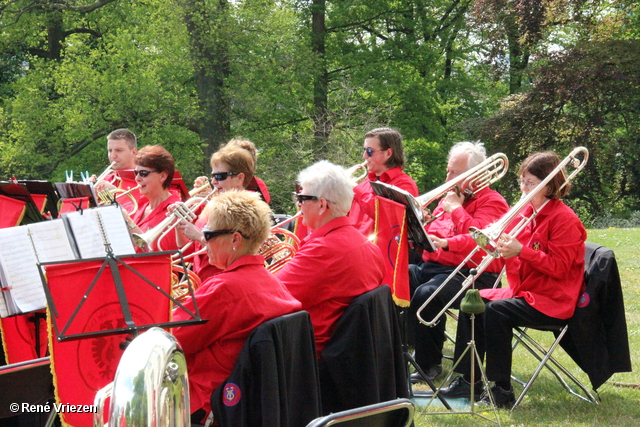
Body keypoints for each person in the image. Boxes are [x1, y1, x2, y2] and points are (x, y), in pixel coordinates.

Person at [443, 151, 586, 407]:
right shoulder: (525, 213)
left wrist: (522, 251)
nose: (524, 188)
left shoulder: (565, 220)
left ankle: (502, 389)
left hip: (552, 300)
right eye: (522, 181)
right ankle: (469, 379)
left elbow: (560, 269)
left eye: (530, 183)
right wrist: (500, 246)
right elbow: (500, 242)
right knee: (471, 301)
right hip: (526, 292)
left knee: (497, 311)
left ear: (550, 185)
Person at [171, 191, 301, 423]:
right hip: (242, 403)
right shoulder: (272, 282)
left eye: (209, 234)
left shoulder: (223, 289)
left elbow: (170, 340)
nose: (203, 239)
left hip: (199, 403)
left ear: (235, 240)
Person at [409, 141, 509, 383]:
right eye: (448, 169)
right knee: (397, 280)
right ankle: (406, 350)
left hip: (472, 273)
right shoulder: (450, 198)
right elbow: (434, 236)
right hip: (438, 267)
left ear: (474, 175)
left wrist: (456, 210)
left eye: (454, 172)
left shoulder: (492, 202)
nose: (447, 176)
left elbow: (480, 241)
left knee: (427, 293)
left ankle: (428, 363)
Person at [276, 160, 386, 355]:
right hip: (346, 354)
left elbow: (272, 297)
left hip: (305, 353)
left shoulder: (322, 250)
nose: (298, 205)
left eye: (302, 198)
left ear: (321, 204)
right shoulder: (368, 245)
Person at [174, 145, 256, 281]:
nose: (213, 181)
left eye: (220, 176)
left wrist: (199, 236)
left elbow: (237, 252)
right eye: (213, 176)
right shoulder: (213, 205)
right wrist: (179, 224)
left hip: (224, 284)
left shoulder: (247, 208)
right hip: (203, 284)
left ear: (239, 178)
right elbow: (188, 253)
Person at [348, 127, 419, 236]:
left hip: (382, 251)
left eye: (370, 151)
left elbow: (386, 216)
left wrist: (355, 189)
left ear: (388, 153)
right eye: (364, 150)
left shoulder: (404, 184)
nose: (364, 156)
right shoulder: (366, 183)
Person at [123, 145, 181, 251]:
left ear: (163, 176)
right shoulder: (139, 205)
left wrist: (129, 222)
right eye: (136, 172)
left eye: (143, 173)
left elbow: (158, 253)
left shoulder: (175, 211)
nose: (137, 178)